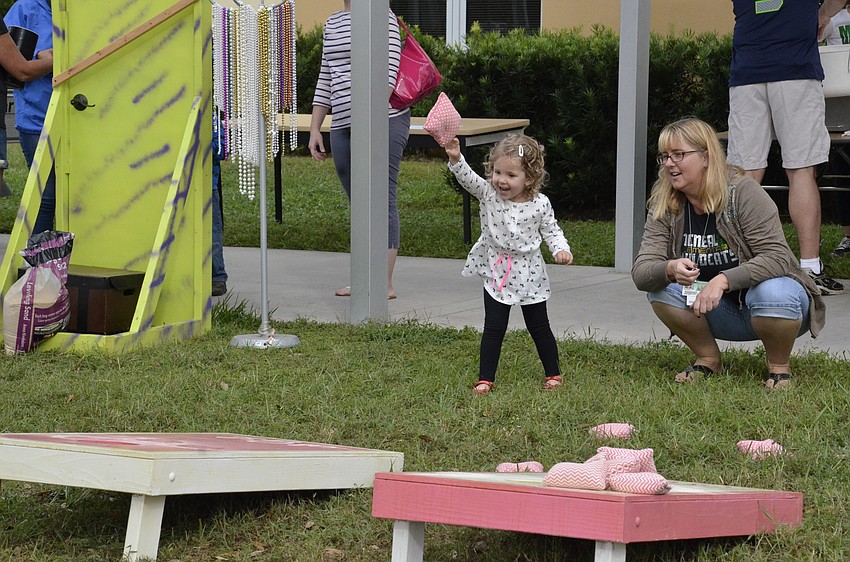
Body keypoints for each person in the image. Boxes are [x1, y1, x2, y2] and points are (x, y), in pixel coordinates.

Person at [632, 117, 826, 390]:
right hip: (715, 310)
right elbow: (642, 273)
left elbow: (778, 256)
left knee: (775, 290)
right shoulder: (666, 203)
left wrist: (722, 280)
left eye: (678, 155)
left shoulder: (743, 192)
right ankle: (708, 358)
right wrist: (669, 268)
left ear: (706, 157)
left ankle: (779, 367)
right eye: (664, 156)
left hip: (772, 307)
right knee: (662, 289)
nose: (668, 164)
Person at [725, 0, 846, 295]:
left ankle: (742, 266)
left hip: (748, 67)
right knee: (801, 169)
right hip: (795, 65)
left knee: (744, 175)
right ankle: (809, 268)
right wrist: (823, 14)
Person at [445, 134, 573, 394]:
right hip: (496, 269)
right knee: (493, 326)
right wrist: (456, 157)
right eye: (497, 172)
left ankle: (553, 374)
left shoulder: (540, 204)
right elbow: (468, 179)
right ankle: (485, 378)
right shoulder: (488, 194)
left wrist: (561, 249)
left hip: (530, 271)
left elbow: (551, 230)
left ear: (530, 178)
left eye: (511, 175)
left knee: (539, 326)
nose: (502, 180)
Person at [308, 0, 409, 300]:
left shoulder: (383, 18)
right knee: (359, 200)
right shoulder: (333, 23)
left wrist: (368, 121)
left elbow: (389, 76)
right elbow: (326, 76)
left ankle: (382, 281)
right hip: (342, 121)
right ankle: (364, 276)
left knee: (380, 196)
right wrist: (316, 127)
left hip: (383, 120)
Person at [5, 0, 54, 234]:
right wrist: (45, 59)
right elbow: (16, 69)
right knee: (45, 197)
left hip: (81, 115)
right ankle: (38, 265)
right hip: (36, 119)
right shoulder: (25, 8)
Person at [822, 1, 850, 258]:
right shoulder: (835, 18)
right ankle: (848, 235)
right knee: (841, 171)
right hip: (841, 103)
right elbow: (818, 30)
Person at [211, 114, 228, 297]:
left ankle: (217, 277)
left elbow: (223, 151)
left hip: (209, 187)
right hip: (180, 186)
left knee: (213, 233)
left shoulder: (212, 118)